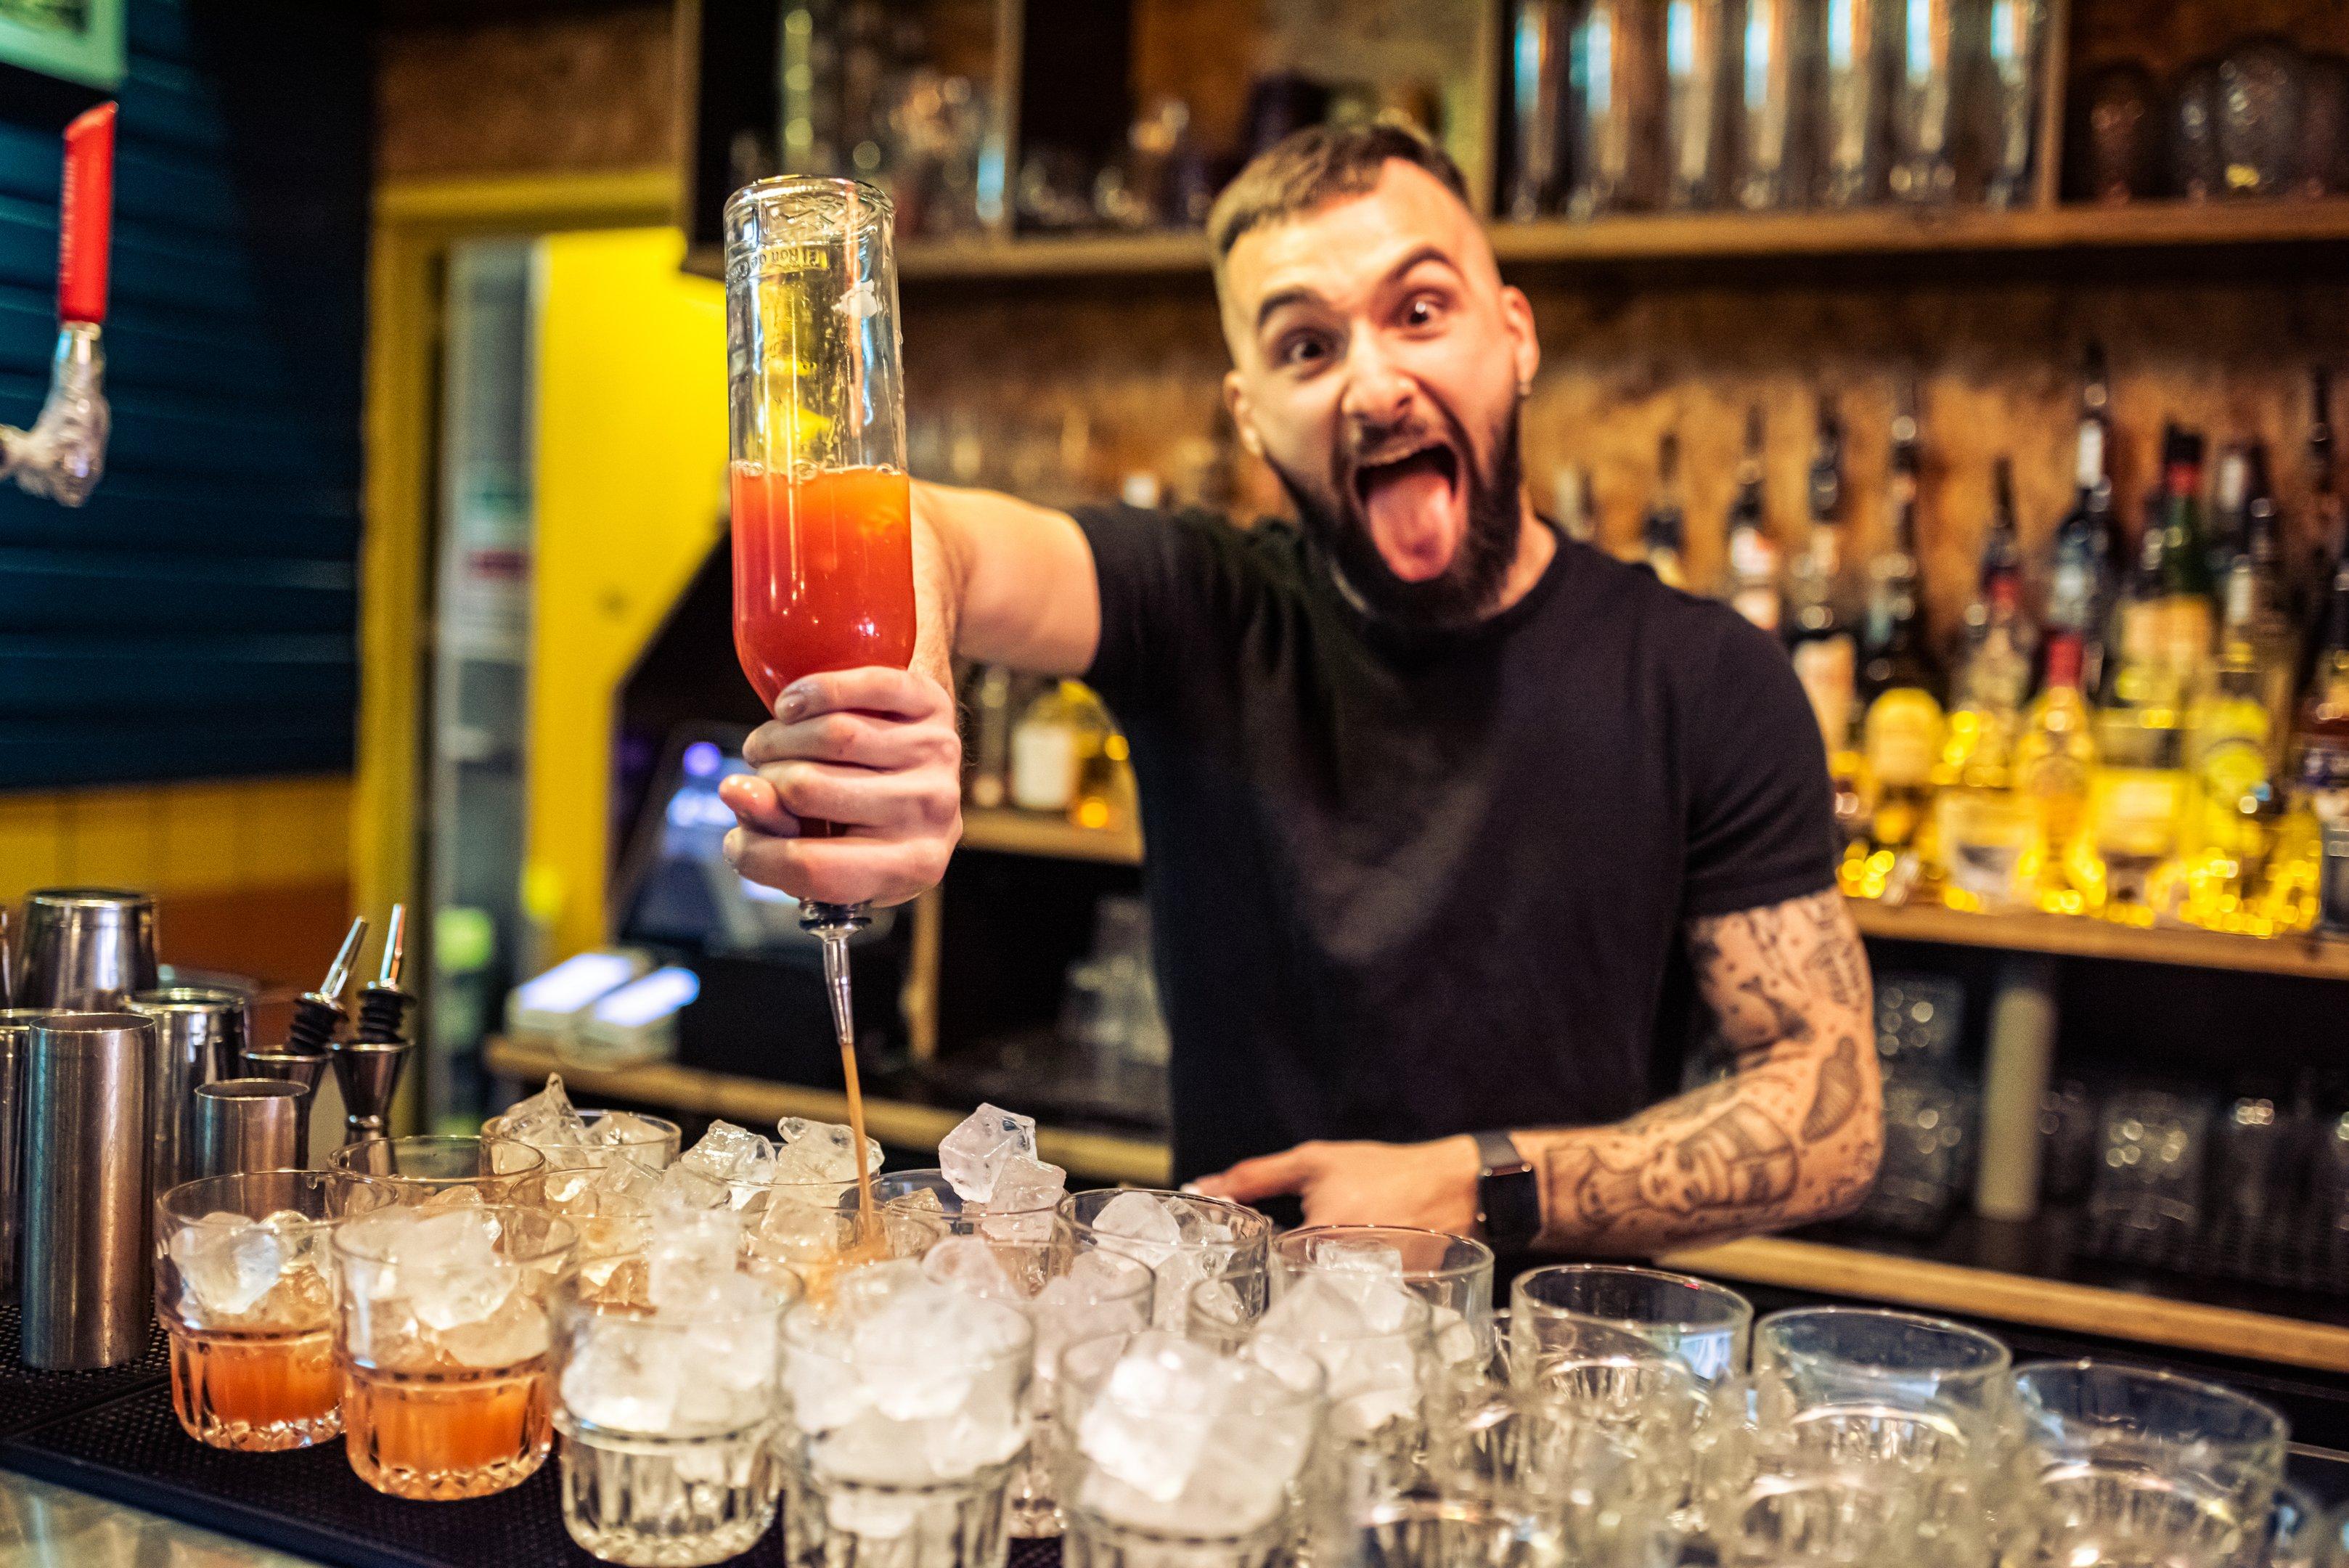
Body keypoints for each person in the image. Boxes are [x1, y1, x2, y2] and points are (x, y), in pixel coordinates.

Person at [719, 122, 1881, 1257]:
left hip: (1559, 1395)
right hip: (1236, 1387)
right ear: (1249, 415)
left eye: (1420, 314)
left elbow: (1829, 1114)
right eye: (1306, 349)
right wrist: (907, 702)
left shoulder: (1706, 679)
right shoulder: (1202, 607)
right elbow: (933, 527)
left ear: (1515, 337)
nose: (1375, 386)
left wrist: (1472, 1188)